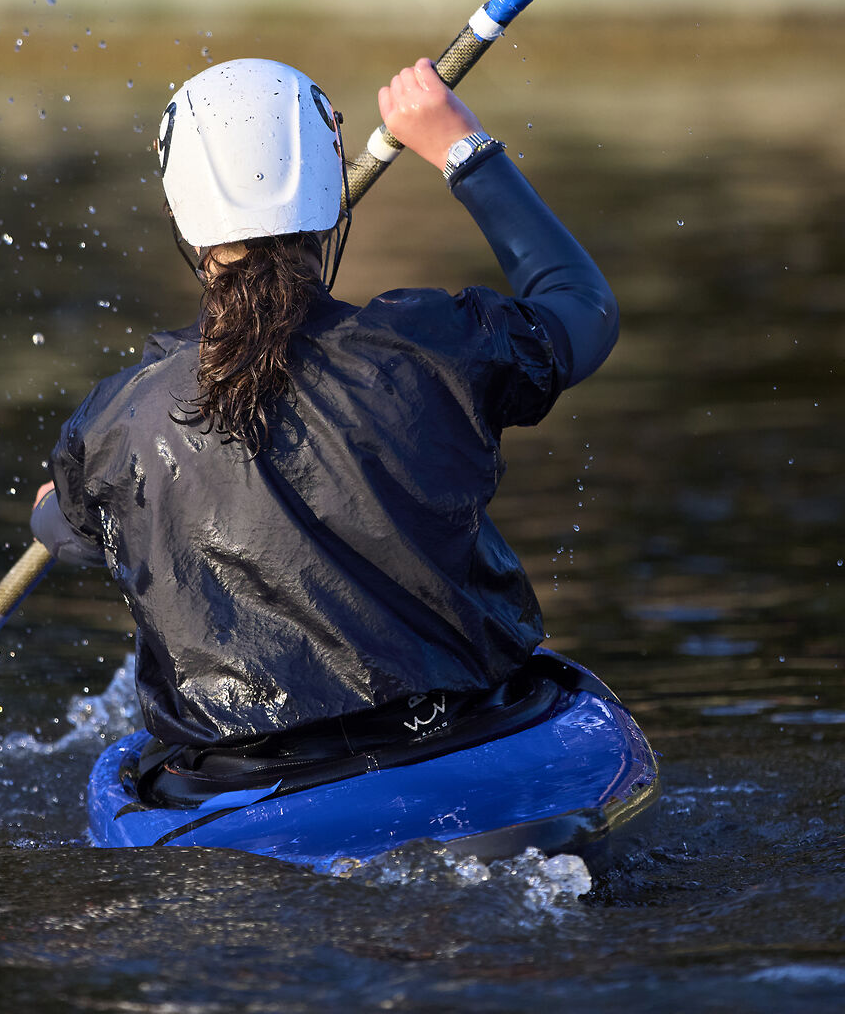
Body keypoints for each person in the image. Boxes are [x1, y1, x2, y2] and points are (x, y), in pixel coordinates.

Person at [30, 54, 618, 792]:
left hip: (243, 789)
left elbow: (78, 537)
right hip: (467, 736)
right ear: (331, 195)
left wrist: (56, 516)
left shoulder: (114, 422)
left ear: (182, 212)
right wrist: (462, 147)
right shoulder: (434, 345)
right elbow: (582, 309)